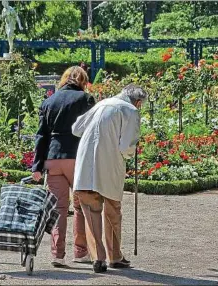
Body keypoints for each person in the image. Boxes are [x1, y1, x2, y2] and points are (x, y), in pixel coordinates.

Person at [72, 84, 147, 273]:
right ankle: (115, 256)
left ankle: (98, 257)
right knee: (113, 211)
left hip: (85, 165)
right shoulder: (130, 110)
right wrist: (131, 152)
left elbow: (76, 128)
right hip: (109, 165)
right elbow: (126, 147)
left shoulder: (102, 104)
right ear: (138, 102)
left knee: (90, 211)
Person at [32, 66, 96, 267]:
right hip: (77, 157)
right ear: (82, 81)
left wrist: (37, 166)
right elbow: (92, 130)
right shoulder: (85, 99)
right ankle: (80, 251)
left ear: (64, 79)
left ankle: (57, 255)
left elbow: (41, 136)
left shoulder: (49, 101)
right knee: (80, 206)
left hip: (53, 159)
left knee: (59, 209)